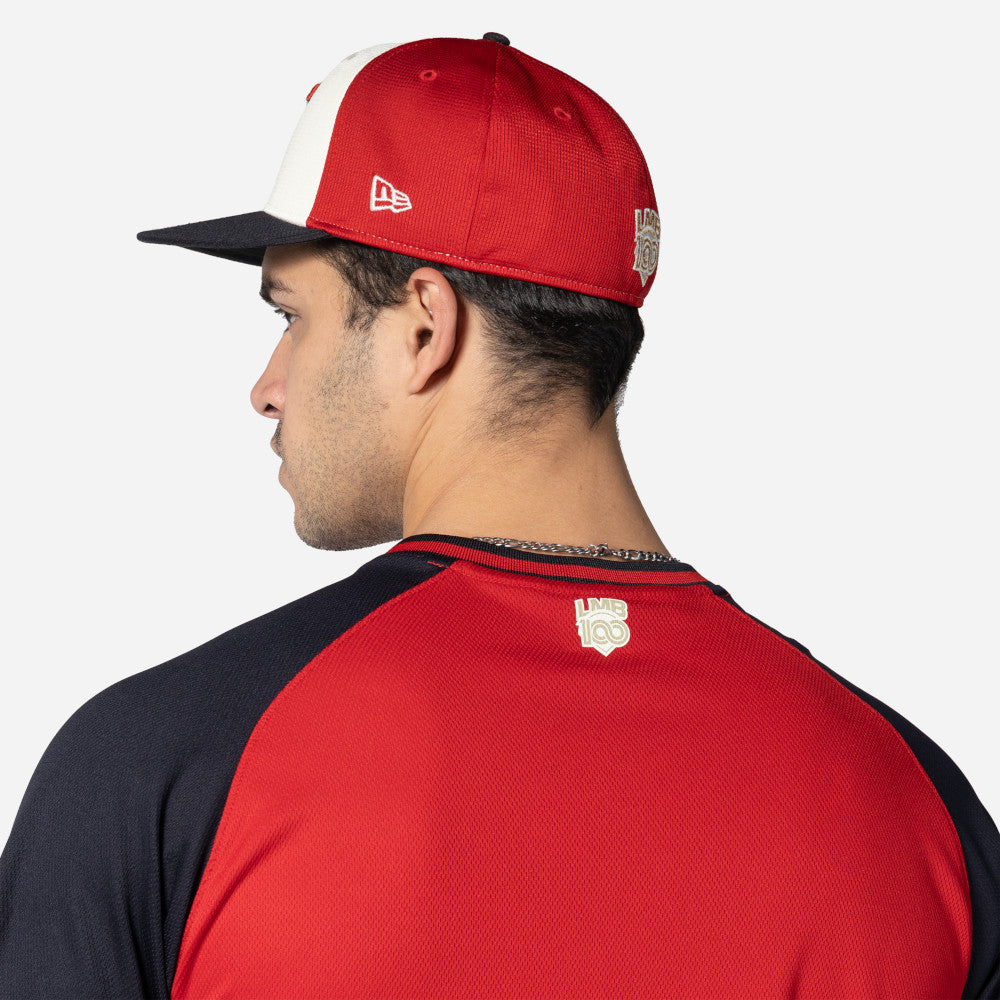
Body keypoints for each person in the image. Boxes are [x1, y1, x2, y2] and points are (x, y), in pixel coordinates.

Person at [1, 30, 998, 1000]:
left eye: (290, 316)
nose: (266, 388)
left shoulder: (162, 763)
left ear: (425, 326)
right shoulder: (916, 802)